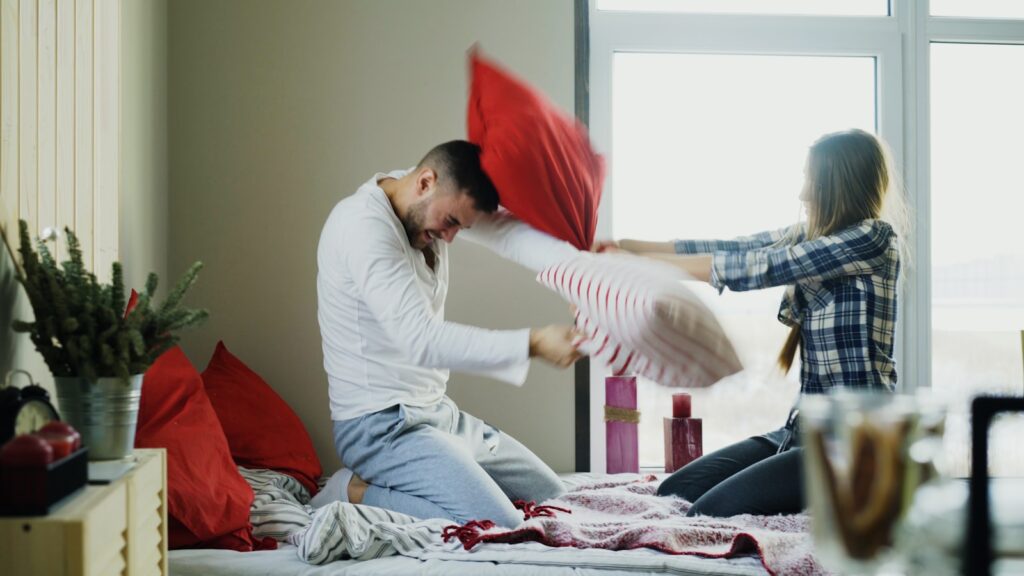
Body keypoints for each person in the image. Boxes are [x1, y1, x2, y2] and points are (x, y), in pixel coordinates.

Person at [595, 129, 909, 517]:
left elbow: (761, 267)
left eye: (812, 181)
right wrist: (627, 246)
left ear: (838, 186)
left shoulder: (874, 240)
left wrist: (641, 266)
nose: (803, 194)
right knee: (675, 492)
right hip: (799, 433)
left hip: (853, 446)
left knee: (705, 512)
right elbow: (734, 248)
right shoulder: (809, 236)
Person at [313, 140, 583, 527]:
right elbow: (420, 340)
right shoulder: (362, 227)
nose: (453, 237)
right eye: (453, 223)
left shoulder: (431, 197)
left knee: (553, 498)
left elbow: (510, 234)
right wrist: (534, 343)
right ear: (425, 182)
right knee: (499, 524)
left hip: (437, 414)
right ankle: (353, 490)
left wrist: (577, 276)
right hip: (380, 427)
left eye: (462, 227)